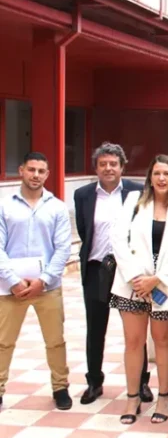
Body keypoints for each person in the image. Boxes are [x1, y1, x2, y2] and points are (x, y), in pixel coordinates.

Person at [111, 155, 168, 425]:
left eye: (167, 174)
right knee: (133, 342)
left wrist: (157, 280)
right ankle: (132, 397)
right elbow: (118, 240)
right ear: (150, 176)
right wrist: (137, 277)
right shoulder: (134, 201)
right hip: (133, 285)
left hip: (165, 287)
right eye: (157, 173)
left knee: (162, 342)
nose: (161, 178)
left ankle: (162, 397)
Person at [74, 143, 153, 405]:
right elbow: (85, 231)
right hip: (96, 269)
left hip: (128, 271)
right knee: (96, 328)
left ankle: (141, 382)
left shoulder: (137, 192)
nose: (108, 168)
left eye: (113, 164)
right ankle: (94, 382)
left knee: (135, 330)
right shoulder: (83, 194)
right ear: (95, 168)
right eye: (103, 164)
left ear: (122, 167)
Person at [0, 152, 73, 410]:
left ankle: (60, 387)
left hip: (47, 288)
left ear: (47, 174)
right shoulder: (4, 206)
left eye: (41, 171)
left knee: (55, 341)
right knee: (3, 342)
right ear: (21, 170)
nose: (36, 175)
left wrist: (44, 280)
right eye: (31, 169)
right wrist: (13, 280)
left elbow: (63, 249)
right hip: (10, 288)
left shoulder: (57, 207)